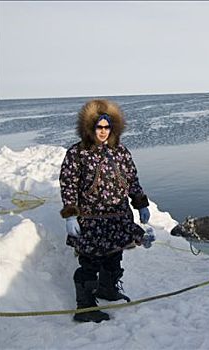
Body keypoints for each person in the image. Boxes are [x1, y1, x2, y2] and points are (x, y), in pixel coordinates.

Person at [59, 99, 153, 323]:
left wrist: (141, 203)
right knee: (89, 262)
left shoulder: (120, 151)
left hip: (119, 216)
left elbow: (131, 179)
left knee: (114, 256)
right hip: (91, 219)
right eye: (99, 127)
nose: (103, 131)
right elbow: (68, 184)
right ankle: (85, 308)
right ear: (90, 127)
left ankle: (107, 289)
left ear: (113, 128)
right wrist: (71, 214)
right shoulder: (78, 153)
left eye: (107, 127)